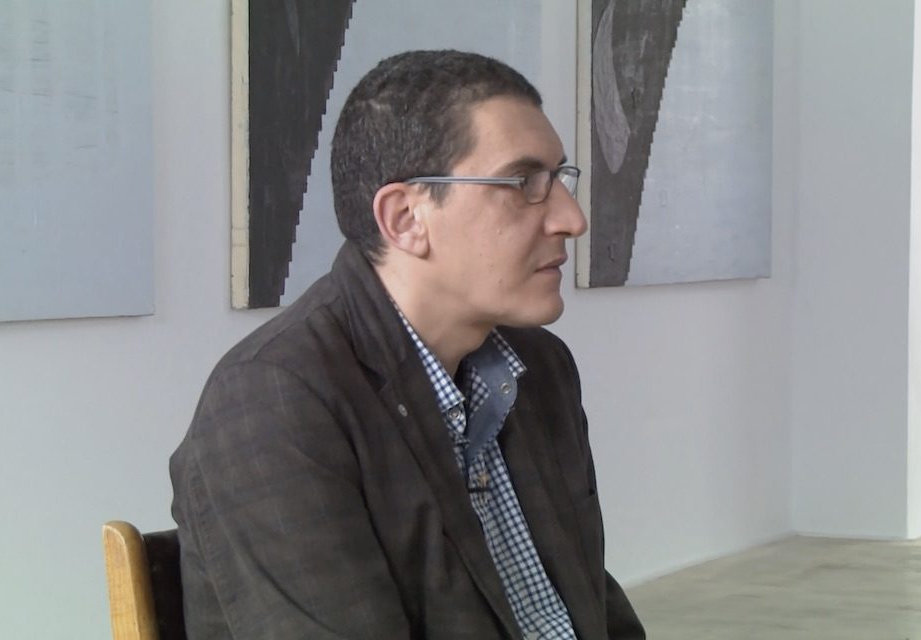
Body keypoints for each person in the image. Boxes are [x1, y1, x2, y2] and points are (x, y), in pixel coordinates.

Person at [169, 49, 645, 639]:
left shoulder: (541, 367)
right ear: (405, 219)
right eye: (524, 183)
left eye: (559, 179)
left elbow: (593, 610)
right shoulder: (272, 402)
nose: (572, 219)